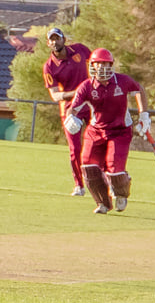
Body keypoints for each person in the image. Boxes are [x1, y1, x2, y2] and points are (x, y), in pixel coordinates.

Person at [64, 48, 148, 214]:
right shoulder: (86, 86)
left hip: (120, 131)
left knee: (114, 169)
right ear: (92, 65)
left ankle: (122, 191)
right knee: (88, 166)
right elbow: (73, 108)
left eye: (105, 64)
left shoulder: (122, 81)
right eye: (98, 63)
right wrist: (70, 119)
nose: (102, 68)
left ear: (111, 65)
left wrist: (144, 114)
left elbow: (139, 90)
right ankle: (103, 202)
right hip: (95, 131)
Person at [41, 26, 93, 196]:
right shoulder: (49, 66)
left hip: (92, 104)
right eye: (52, 39)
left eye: (58, 38)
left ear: (64, 39)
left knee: (98, 143)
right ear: (48, 43)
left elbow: (97, 63)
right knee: (74, 148)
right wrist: (77, 93)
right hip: (71, 110)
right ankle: (79, 185)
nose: (55, 42)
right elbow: (55, 95)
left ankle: (105, 180)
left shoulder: (79, 49)